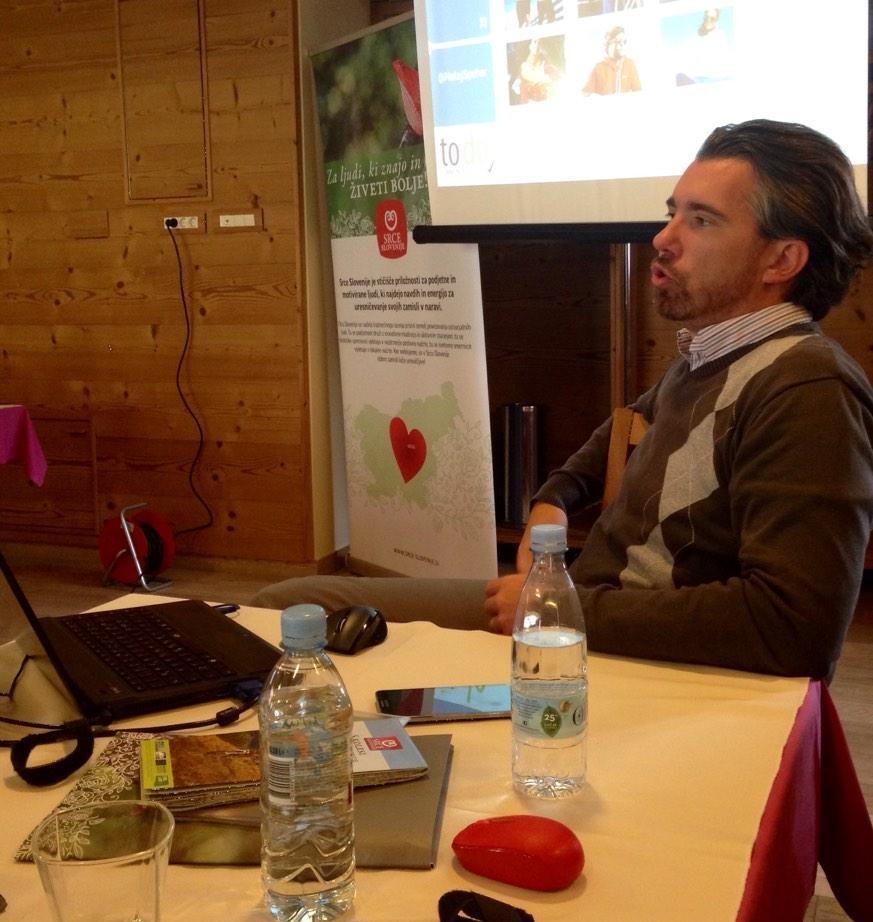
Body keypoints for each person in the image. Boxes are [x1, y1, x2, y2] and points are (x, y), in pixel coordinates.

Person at [253, 119, 873, 680]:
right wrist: (554, 498)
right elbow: (628, 424)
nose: (663, 237)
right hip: (578, 611)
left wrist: (558, 611)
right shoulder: (713, 353)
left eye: (701, 220)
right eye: (672, 213)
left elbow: (796, 630)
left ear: (782, 259)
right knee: (289, 603)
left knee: (289, 611)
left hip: (612, 651)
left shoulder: (808, 389)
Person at [582, 26, 641, 95]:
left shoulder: (629, 64)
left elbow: (638, 93)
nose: (622, 44)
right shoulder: (598, 67)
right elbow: (585, 94)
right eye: (618, 41)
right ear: (608, 44)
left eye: (624, 41)